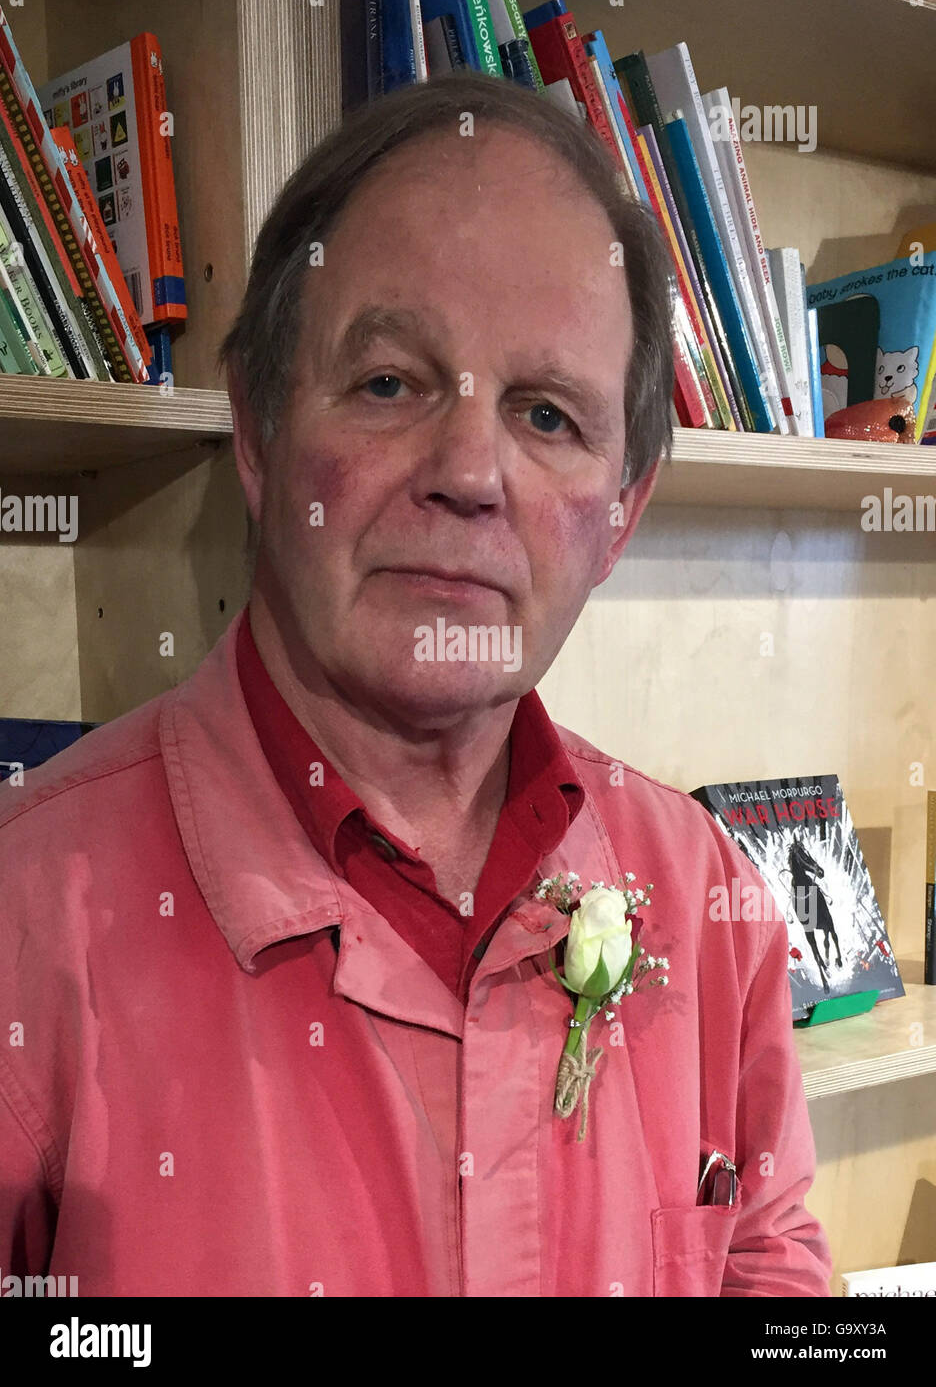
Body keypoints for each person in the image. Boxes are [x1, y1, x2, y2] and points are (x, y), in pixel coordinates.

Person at [0, 70, 832, 1296]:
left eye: (547, 414)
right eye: (390, 382)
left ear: (621, 516)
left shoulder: (712, 897)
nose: (468, 470)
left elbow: (773, 1272)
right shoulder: (24, 914)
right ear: (258, 429)